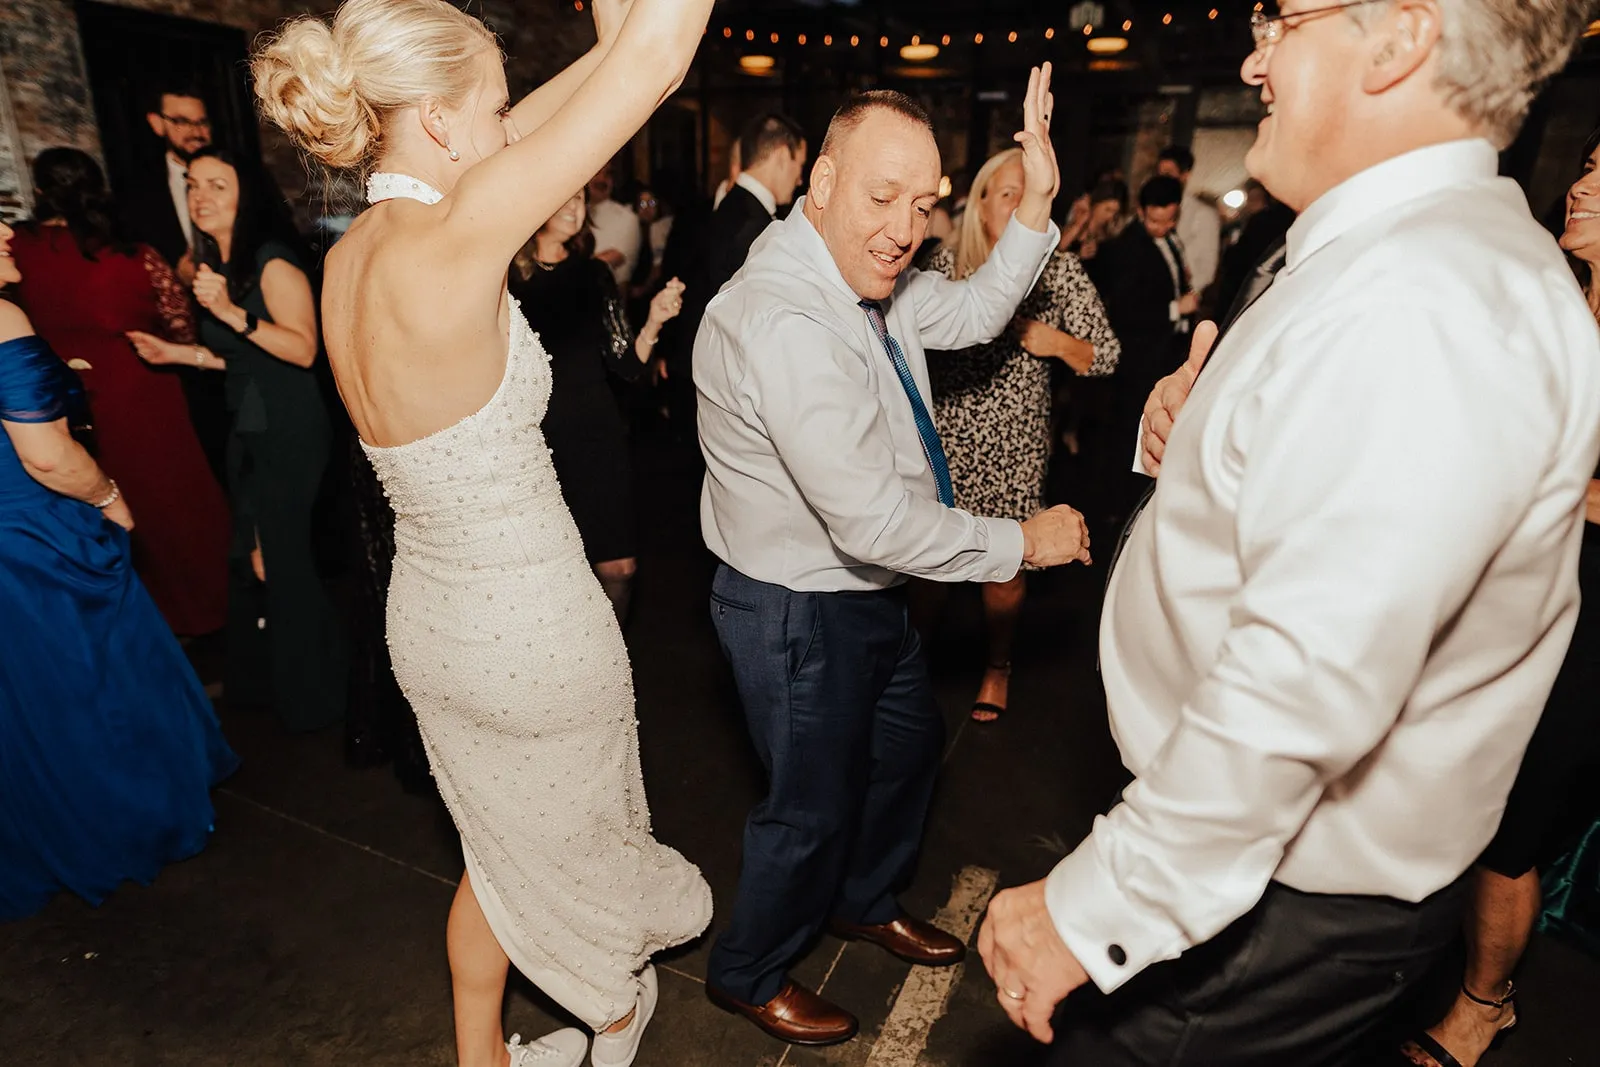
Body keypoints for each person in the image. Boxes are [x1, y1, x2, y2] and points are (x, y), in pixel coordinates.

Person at [977, 5, 1600, 1066]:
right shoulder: (1393, 253)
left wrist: (1094, 906)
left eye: (1283, 20)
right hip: (1249, 852)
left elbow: (1310, 673)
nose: (1254, 59)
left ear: (1399, 39)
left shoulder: (1429, 303)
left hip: (1271, 894)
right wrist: (1197, 436)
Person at [251, 1, 714, 1064]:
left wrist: (600, 53)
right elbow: (659, 60)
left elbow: (596, 87)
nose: (513, 129)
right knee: (575, 875)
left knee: (498, 857)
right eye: (498, 109)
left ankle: (479, 1054)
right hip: (533, 626)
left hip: (430, 624)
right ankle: (607, 1014)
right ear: (443, 122)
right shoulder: (461, 236)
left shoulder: (346, 259)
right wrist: (627, 47)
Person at [696, 73, 1091, 1047]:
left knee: (908, 752)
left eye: (922, 205)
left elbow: (967, 315)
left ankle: (863, 900)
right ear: (819, 181)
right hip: (797, 606)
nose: (904, 229)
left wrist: (1034, 204)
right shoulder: (786, 319)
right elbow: (872, 520)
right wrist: (1022, 540)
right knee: (809, 806)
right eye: (881, 198)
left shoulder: (867, 285)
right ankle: (747, 970)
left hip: (867, 595)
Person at [1400, 123, 1600, 1067]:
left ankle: (1486, 1002)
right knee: (1459, 785)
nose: (1583, 187)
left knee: (1514, 817)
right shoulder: (1557, 309)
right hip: (1511, 579)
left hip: (1590, 604)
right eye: (1590, 166)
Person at [0, 220, 238, 922]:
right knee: (84, 681)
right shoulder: (3, 316)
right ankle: (120, 825)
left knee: (21, 696)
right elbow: (45, 457)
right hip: (30, 532)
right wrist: (109, 495)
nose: (9, 228)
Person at [127, 147, 346, 734]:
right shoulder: (216, 267)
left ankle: (325, 696)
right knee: (254, 554)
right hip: (249, 420)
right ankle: (280, 680)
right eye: (194, 185)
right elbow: (245, 362)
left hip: (289, 425)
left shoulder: (273, 262)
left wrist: (226, 311)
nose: (201, 196)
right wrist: (181, 353)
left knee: (281, 555)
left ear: (245, 196)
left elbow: (301, 350)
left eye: (217, 185)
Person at [924, 146, 1120, 724]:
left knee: (1007, 565)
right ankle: (915, 661)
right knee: (926, 561)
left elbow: (1106, 354)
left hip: (1015, 441)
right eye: (1007, 193)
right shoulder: (941, 264)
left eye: (1027, 194)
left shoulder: (1057, 269)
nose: (1017, 205)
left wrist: (1055, 341)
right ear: (979, 202)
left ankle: (998, 666)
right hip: (942, 434)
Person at [14, 147, 229, 638]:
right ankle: (214, 615)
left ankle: (133, 625)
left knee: (100, 504)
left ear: (41, 191)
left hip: (63, 400)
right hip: (142, 391)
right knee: (176, 504)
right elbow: (181, 325)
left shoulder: (19, 252)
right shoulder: (132, 253)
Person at [509, 188, 686, 621]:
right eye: (563, 196)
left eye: (580, 198)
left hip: (596, 434)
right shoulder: (505, 277)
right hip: (532, 440)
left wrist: (654, 321)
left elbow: (626, 365)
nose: (573, 206)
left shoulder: (594, 275)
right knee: (545, 576)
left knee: (619, 569)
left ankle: (607, 670)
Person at [120, 81, 229, 484]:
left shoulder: (241, 176)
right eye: (181, 121)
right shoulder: (135, 192)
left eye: (201, 122)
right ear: (156, 123)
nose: (195, 131)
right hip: (176, 347)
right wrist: (174, 276)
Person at [1086, 175, 1195, 522]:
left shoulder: (1169, 240)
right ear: (1140, 211)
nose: (1162, 227)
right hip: (1138, 357)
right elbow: (1125, 311)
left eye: (1170, 220)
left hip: (1164, 351)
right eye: (1155, 220)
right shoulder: (1128, 246)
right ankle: (1122, 511)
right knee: (1129, 434)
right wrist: (1177, 309)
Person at [1157, 144, 1223, 297]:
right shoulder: (1152, 207)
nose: (1162, 179)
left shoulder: (1203, 214)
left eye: (1168, 174)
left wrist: (1185, 293)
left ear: (1185, 175)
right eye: (1160, 174)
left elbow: (1207, 268)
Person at [587, 161, 640, 289]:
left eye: (607, 174)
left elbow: (616, 258)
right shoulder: (575, 214)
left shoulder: (627, 217)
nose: (602, 179)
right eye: (597, 173)